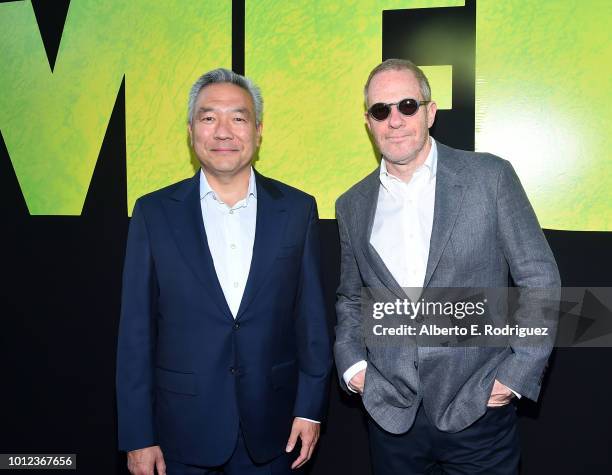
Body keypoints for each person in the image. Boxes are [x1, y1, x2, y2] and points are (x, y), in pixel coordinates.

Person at [334, 59, 560, 474]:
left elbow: (538, 279)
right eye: (380, 110)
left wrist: (516, 374)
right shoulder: (351, 204)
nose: (395, 120)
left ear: (430, 112)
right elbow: (351, 297)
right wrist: (353, 367)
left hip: (477, 409)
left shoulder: (489, 178)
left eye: (407, 105)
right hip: (390, 415)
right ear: (368, 122)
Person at [116, 68, 332, 475]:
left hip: (274, 430)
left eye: (238, 117)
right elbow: (135, 334)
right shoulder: (153, 213)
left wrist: (311, 409)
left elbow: (312, 323)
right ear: (191, 129)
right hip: (180, 433)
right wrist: (138, 435)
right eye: (208, 117)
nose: (223, 131)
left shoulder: (298, 209)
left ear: (258, 129)